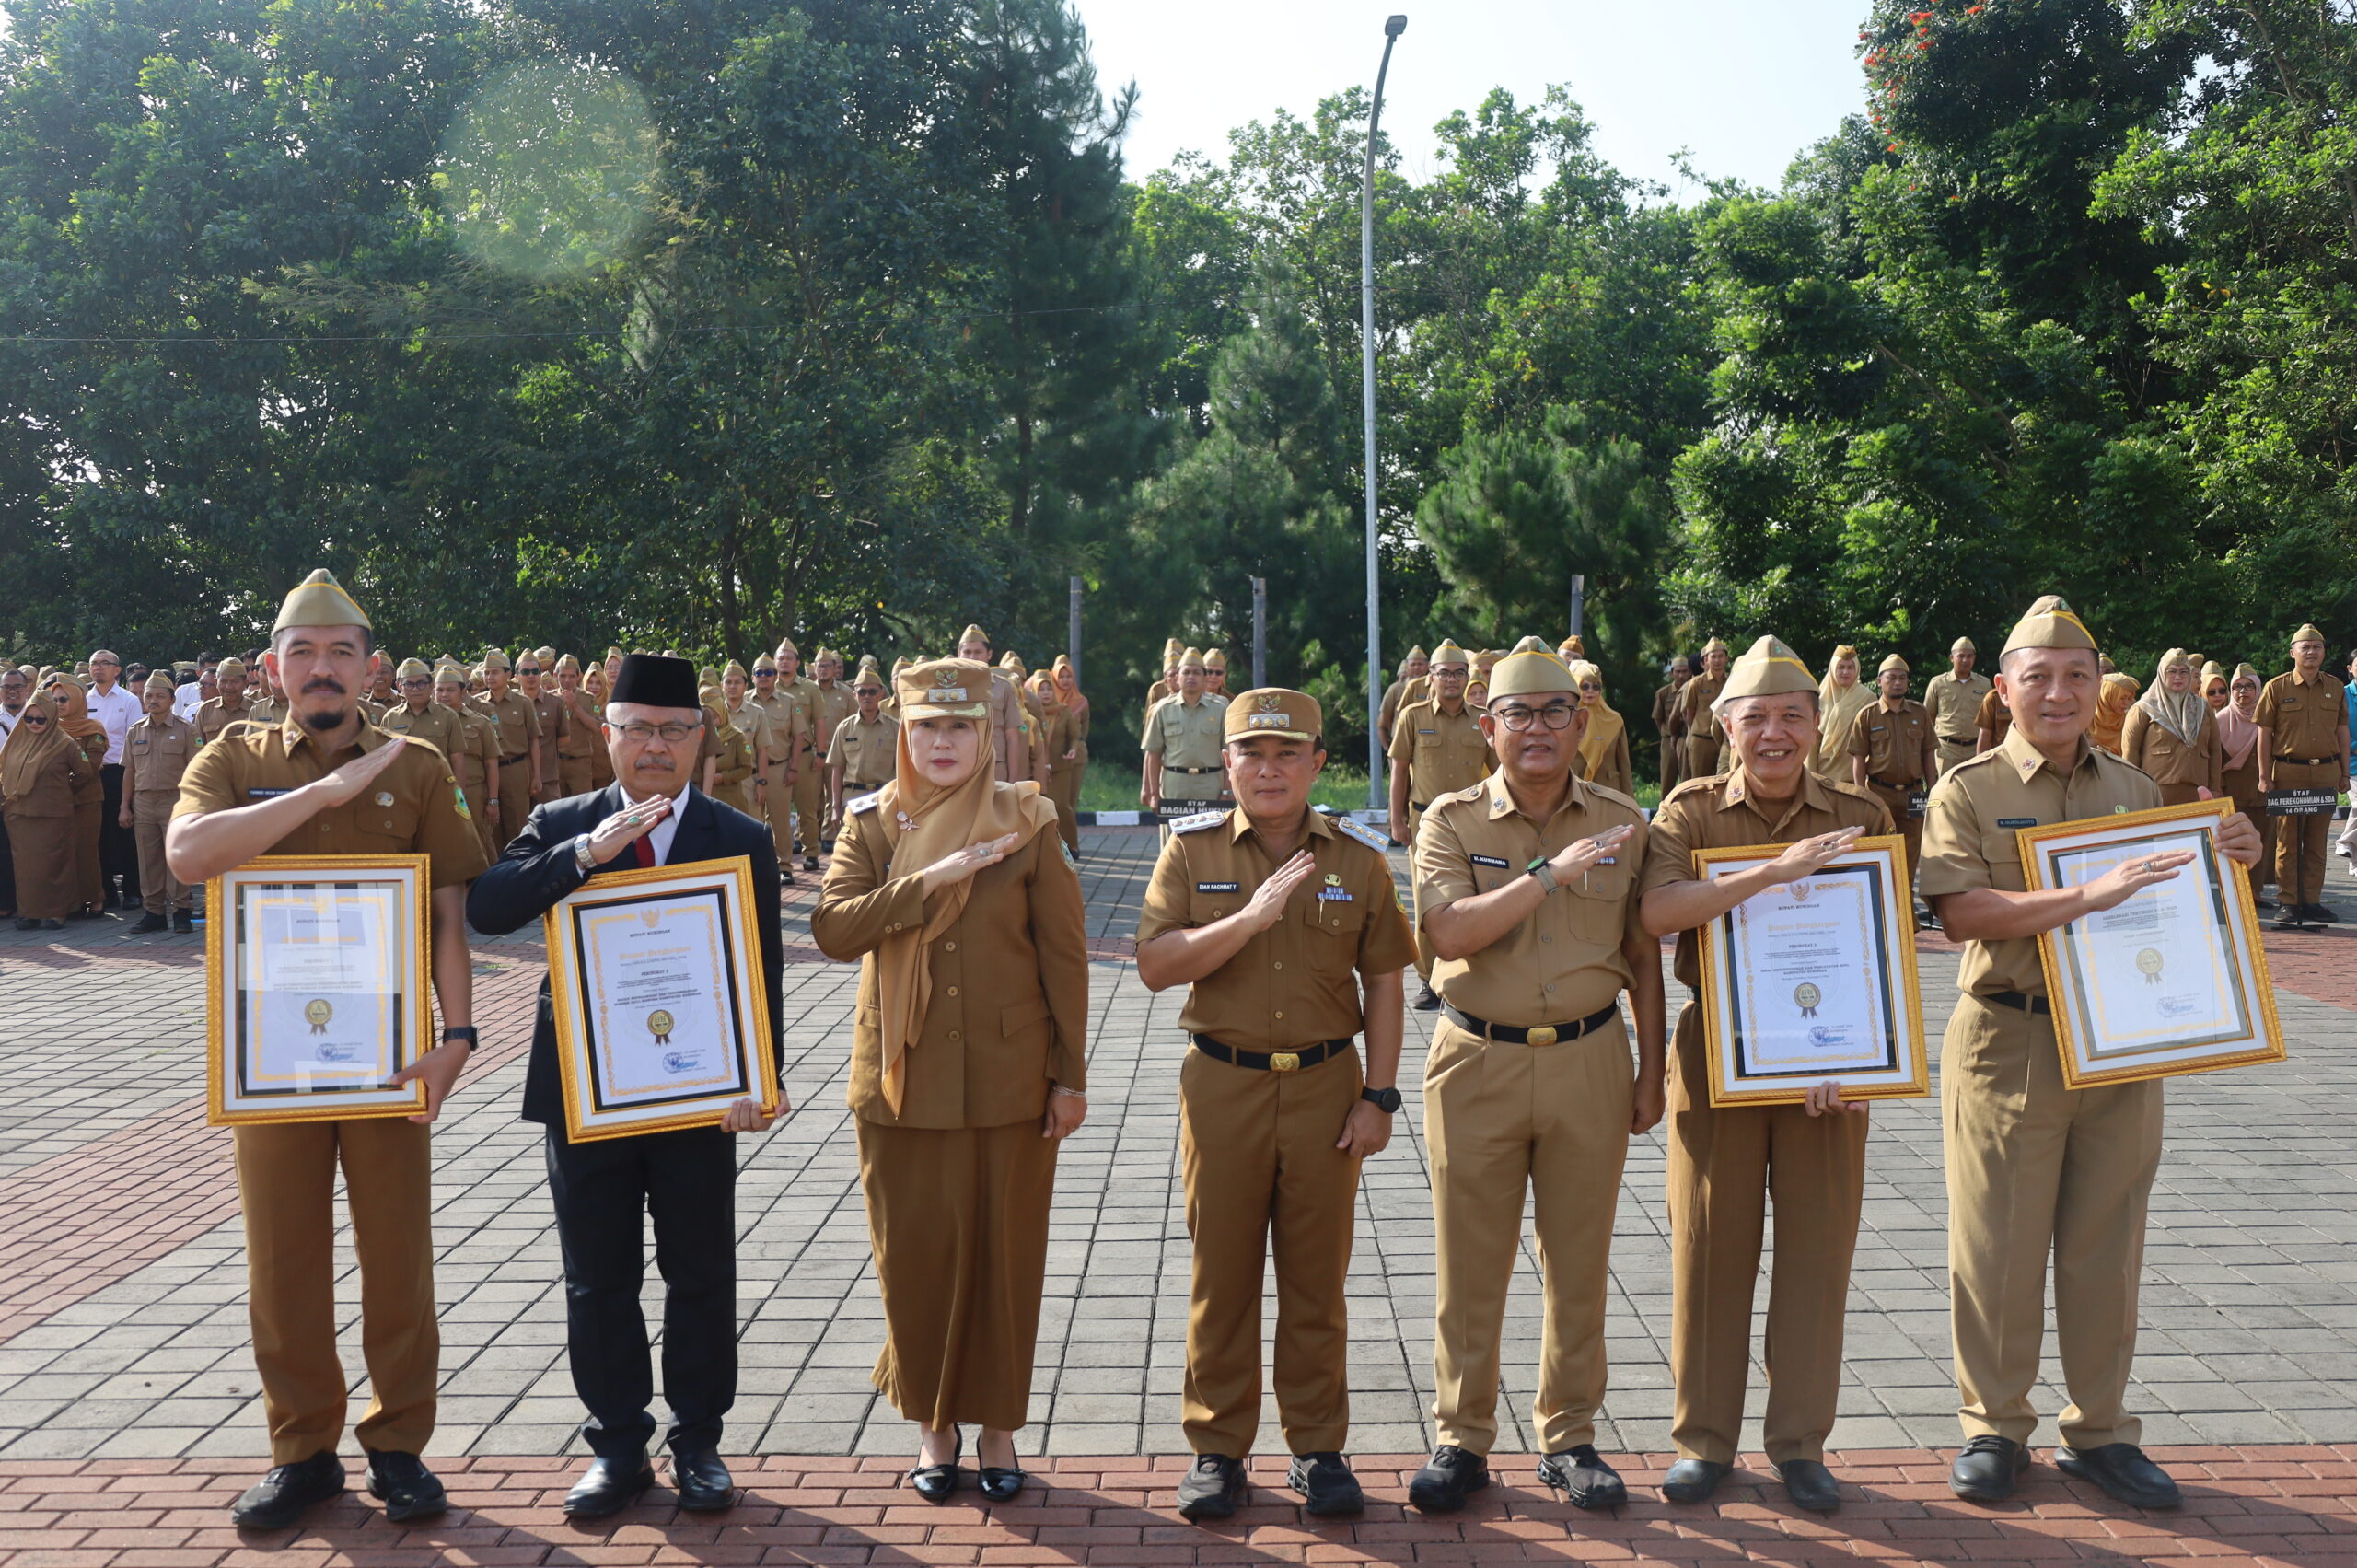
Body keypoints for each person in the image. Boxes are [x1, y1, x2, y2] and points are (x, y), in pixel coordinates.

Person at [1921, 593, 2261, 1511]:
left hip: (2116, 1042)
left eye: (2077, 675)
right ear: (2003, 688)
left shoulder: (2133, 789)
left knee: (2105, 1243)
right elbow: (1961, 915)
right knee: (1997, 1242)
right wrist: (2084, 896)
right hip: (2008, 1033)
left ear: (2097, 684)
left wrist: (2234, 848)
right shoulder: (1968, 789)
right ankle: (1993, 1424)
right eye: (2039, 677)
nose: (2060, 693)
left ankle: (2100, 1430)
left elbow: (2177, 903)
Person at [166, 570, 486, 1530]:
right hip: (270, 1061)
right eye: (302, 652)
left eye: (340, 650)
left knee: (398, 1257)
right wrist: (336, 788)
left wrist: (457, 1037)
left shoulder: (421, 763)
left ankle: (398, 1445)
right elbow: (188, 853)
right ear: (272, 668)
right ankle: (302, 1449)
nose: (321, 668)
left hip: (387, 1055)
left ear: (370, 666)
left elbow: (447, 920)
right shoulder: (231, 755)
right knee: (283, 1259)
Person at [465, 653, 786, 1518]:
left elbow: (761, 968)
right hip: (585, 1093)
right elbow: (488, 906)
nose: (655, 746)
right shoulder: (561, 819)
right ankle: (617, 1444)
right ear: (606, 736)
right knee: (596, 1275)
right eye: (637, 728)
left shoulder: (740, 838)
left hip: (699, 1096)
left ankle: (700, 1439)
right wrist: (582, 854)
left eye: (674, 730)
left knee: (700, 1269)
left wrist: (761, 1079)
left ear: (699, 741)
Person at [810, 657, 1087, 1504]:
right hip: (901, 1079)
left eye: (959, 727)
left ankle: (997, 1424)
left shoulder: (1029, 819)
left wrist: (1067, 1076)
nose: (942, 741)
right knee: (917, 1261)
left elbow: (1064, 957)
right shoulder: (875, 825)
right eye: (927, 725)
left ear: (987, 737)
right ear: (904, 732)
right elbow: (831, 928)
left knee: (1007, 1257)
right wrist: (927, 880)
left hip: (1010, 1077)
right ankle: (935, 1427)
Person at [1134, 688, 1415, 1523]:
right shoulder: (1187, 853)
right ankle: (1217, 1449)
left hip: (1330, 1087)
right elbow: (1155, 964)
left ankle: (1318, 1446)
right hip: (1223, 1085)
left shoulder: (1358, 861)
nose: (1268, 768)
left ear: (1319, 762)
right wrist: (1249, 921)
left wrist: (1381, 1095)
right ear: (1226, 764)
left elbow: (1388, 983)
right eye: (1250, 752)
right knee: (1221, 1274)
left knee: (1316, 1278)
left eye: (1287, 752)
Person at [1405, 650, 1665, 1516]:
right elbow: (1447, 931)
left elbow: (1643, 956)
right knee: (1470, 1259)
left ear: (1582, 722)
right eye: (1521, 713)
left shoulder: (1628, 823)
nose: (1542, 727)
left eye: (1559, 710)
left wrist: (1652, 1068)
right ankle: (1462, 1436)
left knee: (1580, 1258)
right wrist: (1550, 873)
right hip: (1475, 1056)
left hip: (1591, 1057)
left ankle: (1570, 1435)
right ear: (1490, 727)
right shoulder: (1450, 820)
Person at [1638, 636, 1891, 1515]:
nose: (1775, 734)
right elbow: (1659, 910)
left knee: (1818, 1256)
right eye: (1757, 719)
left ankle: (1799, 1444)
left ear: (1819, 721)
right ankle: (1704, 1441)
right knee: (1711, 1251)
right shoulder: (1692, 811)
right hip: (1718, 1060)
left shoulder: (1864, 811)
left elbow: (1883, 949)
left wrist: (1866, 1058)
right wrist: (1771, 875)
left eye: (1792, 716)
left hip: (1830, 1064)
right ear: (1725, 724)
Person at [1387, 642, 1490, 1014]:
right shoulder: (1412, 716)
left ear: (1467, 677)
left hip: (1471, 821)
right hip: (1424, 822)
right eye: (1443, 673)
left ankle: (1469, 973)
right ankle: (1429, 980)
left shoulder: (1482, 717)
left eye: (1458, 673)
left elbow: (1500, 771)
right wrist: (1396, 820)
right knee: (1427, 900)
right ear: (1430, 677)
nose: (1451, 679)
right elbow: (1399, 770)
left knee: (1474, 898)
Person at [2257, 624, 2350, 923]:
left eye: (2317, 647)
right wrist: (2264, 775)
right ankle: (2288, 902)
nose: (2311, 652)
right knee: (2287, 842)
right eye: (2305, 647)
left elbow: (2342, 730)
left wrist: (2345, 772)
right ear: (2292, 652)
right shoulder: (2277, 687)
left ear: (2324, 652)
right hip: (2288, 773)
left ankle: (2311, 900)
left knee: (2316, 841)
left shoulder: (2335, 687)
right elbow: (2265, 734)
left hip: (2325, 771)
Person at [1848, 654, 1936, 901]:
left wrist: (1934, 790)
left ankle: (1905, 906)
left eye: (1902, 678)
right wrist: (1861, 795)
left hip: (1915, 794)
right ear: (1879, 681)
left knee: (1911, 852)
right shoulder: (1867, 715)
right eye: (1892, 678)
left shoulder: (1919, 713)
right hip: (1879, 791)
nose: (1898, 682)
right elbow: (1858, 758)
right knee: (1880, 849)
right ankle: (1882, 901)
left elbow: (1928, 753)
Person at [2, 693, 90, 930]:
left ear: (51, 719)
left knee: (54, 865)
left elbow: (84, 773)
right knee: (25, 868)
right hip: (19, 815)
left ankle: (56, 912)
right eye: (30, 718)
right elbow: (4, 772)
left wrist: (60, 790)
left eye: (41, 720)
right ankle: (29, 913)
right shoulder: (16, 740)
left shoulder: (65, 743)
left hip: (54, 815)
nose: (34, 724)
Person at [120, 671, 198, 933]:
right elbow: (129, 770)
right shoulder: (135, 731)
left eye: (159, 696)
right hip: (143, 802)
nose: (153, 700)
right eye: (148, 695)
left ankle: (181, 911)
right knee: (148, 860)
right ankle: (153, 912)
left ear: (172, 699)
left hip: (176, 801)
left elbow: (196, 770)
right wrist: (124, 806)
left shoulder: (186, 730)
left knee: (176, 858)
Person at [2119, 649, 2223, 806]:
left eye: (2183, 672)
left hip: (2198, 793)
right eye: (2172, 671)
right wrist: (2133, 791)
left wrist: (2214, 788)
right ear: (2162, 673)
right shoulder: (2144, 708)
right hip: (2156, 794)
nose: (2178, 677)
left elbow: (2214, 749)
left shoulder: (2203, 708)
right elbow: (2130, 751)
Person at [82, 649, 142, 909]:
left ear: (117, 670)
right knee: (98, 834)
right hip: (92, 773)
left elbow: (135, 743)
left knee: (125, 832)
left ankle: (132, 891)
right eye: (94, 663)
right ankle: (106, 891)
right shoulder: (83, 699)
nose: (98, 668)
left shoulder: (129, 700)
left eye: (104, 663)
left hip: (120, 772)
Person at [2212, 663, 2273, 905]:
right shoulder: (2220, 719)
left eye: (2249, 686)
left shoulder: (2267, 717)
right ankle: (2235, 893)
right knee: (2234, 840)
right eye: (2237, 687)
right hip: (2232, 789)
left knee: (2262, 839)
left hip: (2262, 787)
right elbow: (2214, 758)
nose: (2243, 692)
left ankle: (2255, 892)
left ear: (2258, 689)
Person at [470, 650, 540, 854]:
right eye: (486, 673)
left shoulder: (523, 703)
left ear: (508, 675)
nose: (489, 677)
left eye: (495, 672)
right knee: (490, 829)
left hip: (515, 769)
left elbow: (533, 740)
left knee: (518, 826)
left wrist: (536, 775)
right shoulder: (477, 704)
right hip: (487, 772)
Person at [1142, 650, 1229, 815]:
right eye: (1186, 672)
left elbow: (1229, 754)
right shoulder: (1162, 709)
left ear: (1205, 678)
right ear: (1177, 678)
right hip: (1174, 784)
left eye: (1196, 673)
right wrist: (1153, 793)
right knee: (1173, 837)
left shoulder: (1221, 708)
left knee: (1210, 837)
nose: (1191, 677)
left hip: (1210, 784)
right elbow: (1153, 753)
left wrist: (1227, 791)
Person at [51, 678, 110, 917]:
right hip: (58, 801)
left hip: (86, 799)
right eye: (55, 700)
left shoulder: (93, 729)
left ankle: (95, 900)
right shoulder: (50, 728)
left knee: (85, 851)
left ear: (76, 700)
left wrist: (61, 784)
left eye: (64, 699)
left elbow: (91, 767)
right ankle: (73, 902)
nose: (59, 704)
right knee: (63, 852)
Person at [435, 665, 502, 862]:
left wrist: (492, 801)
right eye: (440, 689)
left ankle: (489, 888)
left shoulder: (480, 723)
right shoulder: (427, 723)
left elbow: (491, 765)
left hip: (472, 794)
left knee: (480, 844)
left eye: (450, 690)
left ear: (463, 692)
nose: (444, 695)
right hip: (436, 793)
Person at [825, 663, 900, 827]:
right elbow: (837, 770)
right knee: (852, 848)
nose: (867, 696)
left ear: (880, 694)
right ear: (854, 695)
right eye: (862, 692)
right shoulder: (844, 728)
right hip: (852, 798)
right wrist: (835, 806)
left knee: (884, 849)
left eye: (872, 691)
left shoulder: (895, 728)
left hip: (884, 797)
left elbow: (902, 769)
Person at [772, 638, 825, 869]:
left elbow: (819, 722)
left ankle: (811, 853)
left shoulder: (810, 688)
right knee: (774, 812)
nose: (784, 661)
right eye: (780, 657)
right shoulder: (768, 687)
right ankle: (776, 856)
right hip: (775, 758)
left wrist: (821, 753)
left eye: (789, 658)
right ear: (775, 662)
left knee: (807, 808)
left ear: (797, 663)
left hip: (804, 755)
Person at [956, 625, 1028, 790]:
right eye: (967, 652)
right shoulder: (948, 689)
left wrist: (1013, 779)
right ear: (959, 654)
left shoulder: (1004, 688)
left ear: (989, 654)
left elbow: (1012, 736)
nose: (972, 657)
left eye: (978, 652)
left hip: (995, 766)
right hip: (958, 765)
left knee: (995, 814)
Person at [1923, 638, 1992, 776]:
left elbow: (1990, 717)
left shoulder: (1984, 684)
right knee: (1944, 792)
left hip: (1975, 749)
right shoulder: (1938, 683)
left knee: (1974, 793)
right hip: (1947, 750)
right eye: (1961, 656)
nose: (1965, 660)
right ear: (1951, 658)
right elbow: (1928, 717)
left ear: (1974, 658)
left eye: (1969, 656)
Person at [1031, 672, 1083, 855]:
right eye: (1041, 689)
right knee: (1041, 808)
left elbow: (1074, 736)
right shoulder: (1031, 713)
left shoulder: (1064, 710)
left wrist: (1073, 749)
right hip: (1038, 769)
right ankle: (1049, 847)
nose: (1045, 693)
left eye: (1048, 689)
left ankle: (1072, 845)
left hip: (1061, 766)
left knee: (1062, 806)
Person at [809, 649, 857, 845]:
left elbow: (854, 722)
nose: (824, 670)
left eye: (828, 666)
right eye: (820, 666)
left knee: (833, 794)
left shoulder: (845, 693)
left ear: (834, 668)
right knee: (810, 797)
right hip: (810, 750)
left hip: (837, 750)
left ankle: (829, 835)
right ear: (815, 668)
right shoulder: (806, 691)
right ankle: (808, 836)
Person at [1048, 656, 1090, 855]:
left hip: (1076, 756)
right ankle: (1055, 843)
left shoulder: (1080, 701)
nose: (1065, 680)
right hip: (1052, 759)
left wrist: (1075, 746)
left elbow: (1085, 729)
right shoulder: (1045, 700)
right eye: (1061, 676)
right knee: (1053, 802)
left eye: (1069, 676)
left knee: (1068, 803)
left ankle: (1069, 844)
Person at [1570, 661, 1631, 797]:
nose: (1590, 690)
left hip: (1609, 791)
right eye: (1584, 686)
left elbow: (1624, 765)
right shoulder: (1566, 718)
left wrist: (1630, 802)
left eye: (1596, 686)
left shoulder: (1615, 720)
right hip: (1575, 790)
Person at [517, 655, 568, 807]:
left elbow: (564, 739)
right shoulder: (511, 705)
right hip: (517, 780)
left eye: (535, 671)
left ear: (541, 674)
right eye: (525, 672)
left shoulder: (556, 703)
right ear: (516, 677)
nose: (531, 676)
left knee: (553, 825)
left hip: (548, 779)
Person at [1677, 639, 1730, 780]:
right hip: (1701, 741)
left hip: (1724, 742)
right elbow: (1689, 713)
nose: (1717, 660)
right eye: (1713, 657)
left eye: (1720, 656)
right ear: (1707, 659)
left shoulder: (1732, 681)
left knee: (1723, 781)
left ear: (1726, 658)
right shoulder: (1696, 683)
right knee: (1699, 784)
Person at [552, 656, 601, 797]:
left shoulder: (588, 698)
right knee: (556, 808)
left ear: (579, 676)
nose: (567, 681)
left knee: (582, 808)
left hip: (579, 763)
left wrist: (575, 706)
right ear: (555, 675)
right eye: (562, 676)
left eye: (571, 676)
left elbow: (596, 727)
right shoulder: (549, 698)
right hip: (556, 763)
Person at [1652, 654, 1692, 794]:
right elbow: (1658, 718)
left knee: (1687, 779)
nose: (1681, 675)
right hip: (1668, 740)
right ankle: (1664, 812)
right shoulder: (1663, 693)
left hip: (1687, 737)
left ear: (1690, 672)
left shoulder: (1693, 688)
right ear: (1671, 673)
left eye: (1684, 671)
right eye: (1678, 671)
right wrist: (1667, 734)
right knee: (1667, 779)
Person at [1379, 647, 1430, 753]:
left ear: (1428, 666)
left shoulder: (1434, 687)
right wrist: (1398, 730)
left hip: (1427, 744)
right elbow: (1385, 718)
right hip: (1400, 744)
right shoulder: (1395, 689)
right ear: (1406, 667)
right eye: (1413, 664)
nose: (1417, 667)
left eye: (1420, 664)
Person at [195, 656, 255, 744]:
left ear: (245, 683)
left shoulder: (255, 709)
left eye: (235, 681)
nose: (228, 687)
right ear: (216, 682)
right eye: (223, 681)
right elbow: (198, 744)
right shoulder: (205, 711)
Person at [2337, 646, 2357, 864]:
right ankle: (2344, 841)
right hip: (2350, 764)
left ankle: (2352, 857)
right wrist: (2353, 745)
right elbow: (2336, 727)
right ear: (2350, 669)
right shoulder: (2342, 694)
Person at [2092, 671, 2139, 756]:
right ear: (2107, 696)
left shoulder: (2130, 721)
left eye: (2129, 698)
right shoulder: (2085, 723)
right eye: (2122, 698)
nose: (2126, 703)